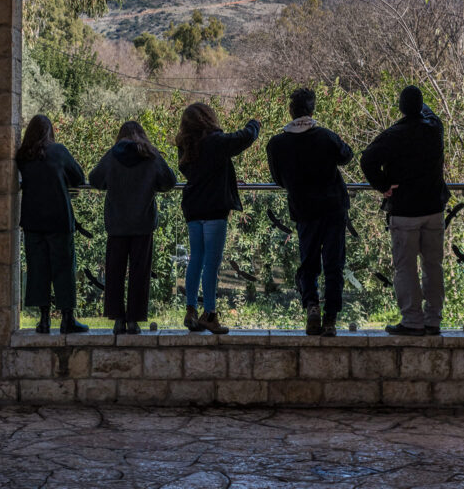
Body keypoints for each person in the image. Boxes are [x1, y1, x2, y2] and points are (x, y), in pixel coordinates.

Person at [360, 84, 449, 337]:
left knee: (405, 267)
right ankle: (434, 320)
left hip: (405, 211)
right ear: (421, 107)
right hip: (433, 208)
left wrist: (383, 186)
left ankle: (412, 320)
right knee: (434, 265)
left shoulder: (393, 135)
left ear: (400, 108)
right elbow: (429, 113)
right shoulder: (434, 128)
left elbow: (366, 159)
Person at [266, 87, 353, 337]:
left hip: (304, 210)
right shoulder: (326, 136)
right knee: (334, 264)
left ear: (290, 111)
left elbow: (278, 179)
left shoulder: (277, 144)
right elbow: (346, 155)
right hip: (334, 208)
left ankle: (312, 308)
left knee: (309, 263)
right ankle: (331, 319)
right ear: (312, 110)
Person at [177, 103, 260, 334]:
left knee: (196, 258)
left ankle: (191, 309)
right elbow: (243, 138)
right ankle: (210, 315)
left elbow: (197, 172)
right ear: (208, 119)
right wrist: (254, 124)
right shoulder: (215, 141)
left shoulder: (186, 146)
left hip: (193, 208)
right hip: (214, 209)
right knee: (211, 264)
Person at [89, 120, 177, 334]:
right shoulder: (150, 156)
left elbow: (94, 179)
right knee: (140, 274)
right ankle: (134, 321)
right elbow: (170, 181)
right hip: (143, 225)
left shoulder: (112, 156)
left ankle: (118, 318)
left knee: (114, 272)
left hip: (117, 226)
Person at [16, 114, 88, 334]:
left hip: (33, 221)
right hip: (59, 220)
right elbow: (79, 178)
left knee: (38, 270)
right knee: (64, 269)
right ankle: (67, 319)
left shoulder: (22, 156)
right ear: (50, 132)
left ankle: (44, 319)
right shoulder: (59, 151)